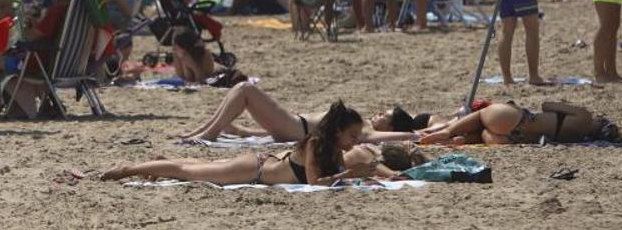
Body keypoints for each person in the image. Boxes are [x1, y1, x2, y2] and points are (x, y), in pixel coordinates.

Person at [106, 102, 421, 186]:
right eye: (352, 135)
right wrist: (348, 176)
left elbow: (353, 169)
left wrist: (386, 175)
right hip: (253, 170)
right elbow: (315, 183)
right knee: (190, 170)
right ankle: (127, 168)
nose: (355, 141)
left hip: (263, 164)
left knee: (194, 169)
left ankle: (157, 167)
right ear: (337, 132)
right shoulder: (314, 145)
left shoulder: (335, 149)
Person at [179, 82, 427, 143]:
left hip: (294, 126)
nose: (378, 114)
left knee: (245, 89)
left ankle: (208, 133)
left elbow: (400, 137)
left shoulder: (366, 130)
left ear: (391, 126)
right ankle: (203, 131)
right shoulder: (363, 127)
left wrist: (415, 135)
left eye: (384, 115)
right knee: (240, 89)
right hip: (294, 126)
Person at [420, 101, 620, 145]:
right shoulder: (580, 138)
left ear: (601, 122)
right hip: (513, 139)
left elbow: (547, 105)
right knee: (482, 134)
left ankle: (447, 132)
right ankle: (460, 140)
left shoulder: (585, 116)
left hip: (519, 119)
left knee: (482, 116)